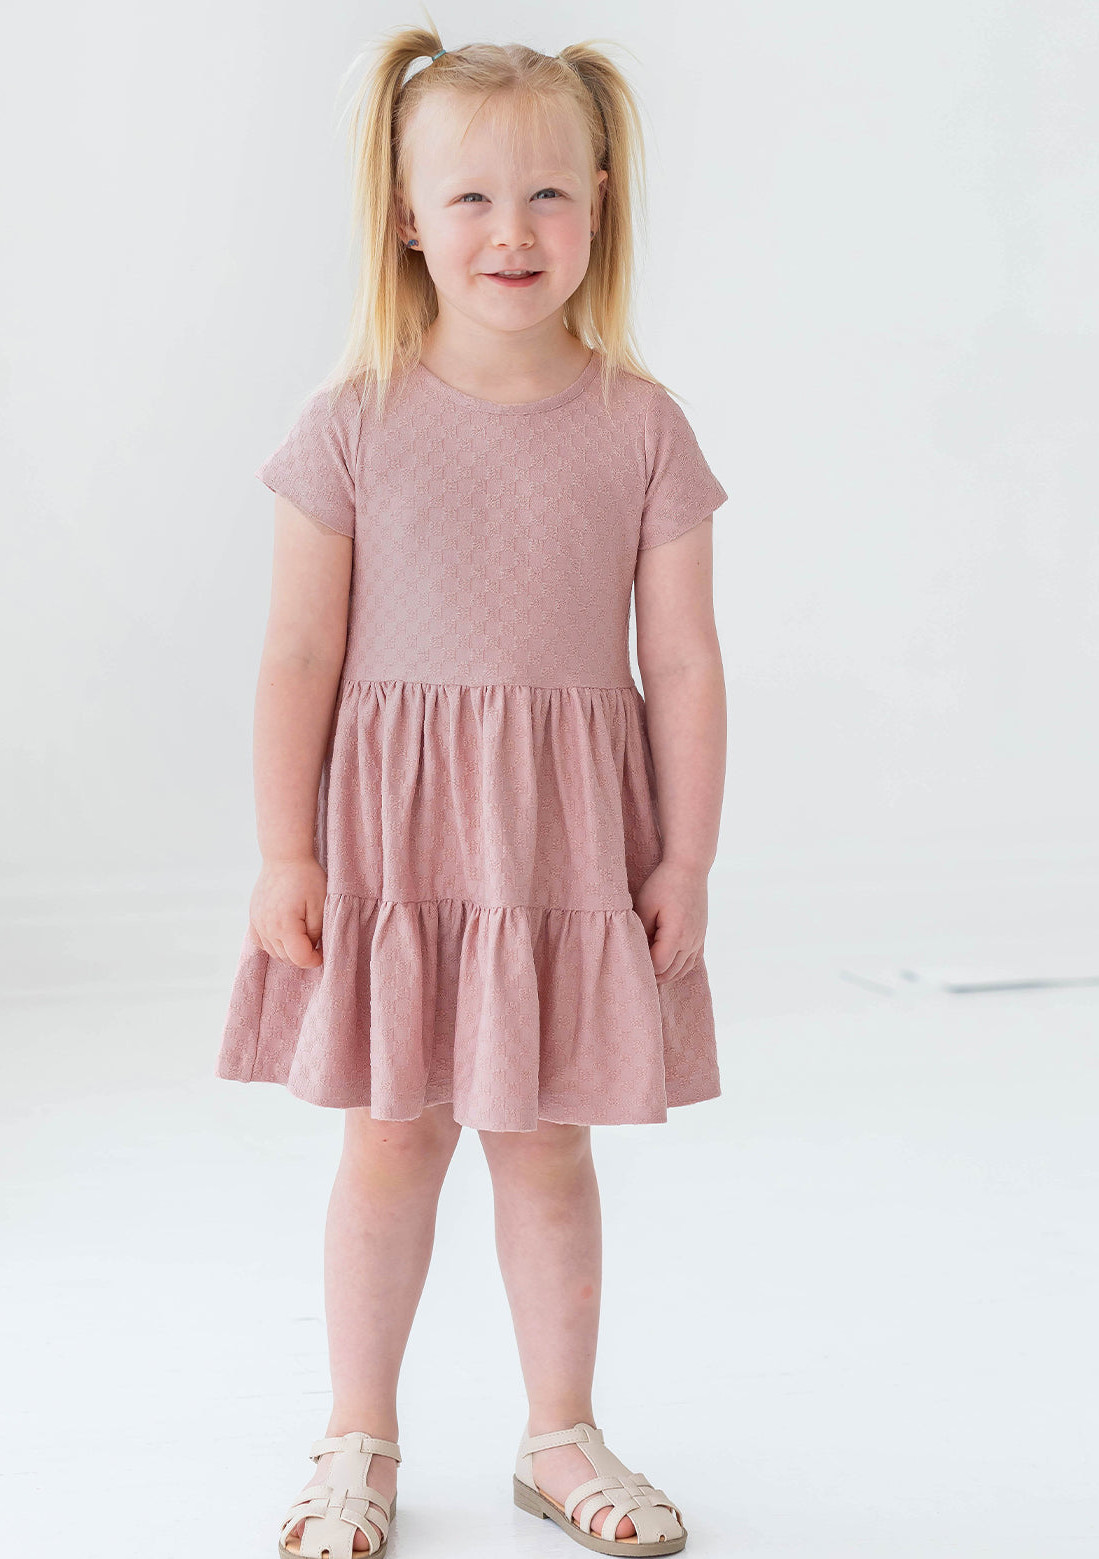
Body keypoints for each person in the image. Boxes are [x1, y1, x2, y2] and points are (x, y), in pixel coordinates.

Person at [217, 24, 730, 1559]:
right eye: (474, 200)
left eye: (552, 196)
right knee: (389, 1138)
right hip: (397, 846)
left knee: (547, 1144)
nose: (515, 233)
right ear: (404, 213)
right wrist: (282, 850)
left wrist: (687, 858)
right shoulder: (353, 421)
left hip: (563, 847)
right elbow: (299, 651)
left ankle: (557, 1434)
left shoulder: (641, 424)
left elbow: (687, 666)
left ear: (603, 204)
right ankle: (356, 1434)